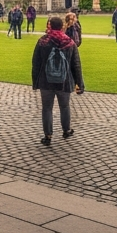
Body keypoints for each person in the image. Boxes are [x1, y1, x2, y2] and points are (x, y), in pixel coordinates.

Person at [32, 16, 84, 145]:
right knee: (65, 106)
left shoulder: (42, 41)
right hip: (64, 80)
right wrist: (80, 83)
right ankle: (66, 130)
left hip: (46, 80)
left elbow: (36, 63)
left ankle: (48, 136)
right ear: (62, 27)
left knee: (47, 108)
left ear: (50, 25)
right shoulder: (69, 42)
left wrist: (35, 81)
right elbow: (76, 65)